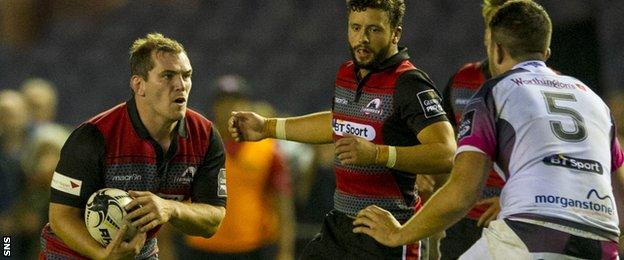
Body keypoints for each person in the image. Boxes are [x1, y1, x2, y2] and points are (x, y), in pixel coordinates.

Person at [354, 1, 624, 258]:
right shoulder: (594, 100)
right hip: (602, 239)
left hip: (532, 232)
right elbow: (613, 180)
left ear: (496, 49)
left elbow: (463, 191)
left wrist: (398, 234)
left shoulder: (495, 93)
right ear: (545, 53)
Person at [229, 0, 456, 258]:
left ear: (396, 33)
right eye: (356, 28)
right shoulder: (348, 73)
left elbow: (447, 153)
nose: (362, 39)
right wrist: (268, 127)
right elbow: (339, 123)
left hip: (389, 228)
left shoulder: (409, 83)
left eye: (374, 29)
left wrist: (377, 154)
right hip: (341, 225)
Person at [39, 33, 227, 259]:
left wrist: (170, 208)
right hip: (73, 254)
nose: (180, 85)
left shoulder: (205, 136)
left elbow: (212, 220)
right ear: (139, 85)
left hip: (140, 252)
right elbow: (61, 216)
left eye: (186, 76)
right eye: (167, 76)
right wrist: (103, 255)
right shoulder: (93, 136)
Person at [181, 75, 295, 260]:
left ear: (246, 106)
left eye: (235, 101)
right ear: (214, 107)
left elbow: (282, 202)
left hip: (252, 248)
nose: (229, 108)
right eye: (223, 102)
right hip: (202, 248)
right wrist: (165, 245)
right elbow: (173, 195)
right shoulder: (193, 146)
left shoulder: (267, 149)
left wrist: (286, 252)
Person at [438, 1, 510, 258]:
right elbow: (443, 142)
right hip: (463, 220)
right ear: (486, 34)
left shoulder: (547, 87)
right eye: (494, 27)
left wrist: (515, 202)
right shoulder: (462, 81)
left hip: (517, 221)